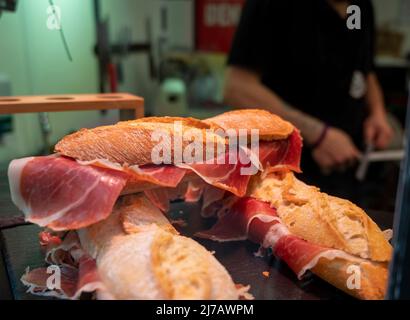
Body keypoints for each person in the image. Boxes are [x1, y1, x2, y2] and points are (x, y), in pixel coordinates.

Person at [224, 0, 393, 197]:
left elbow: (365, 69)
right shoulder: (271, 5)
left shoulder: (360, 7)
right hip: (280, 175)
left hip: (347, 168)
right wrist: (320, 135)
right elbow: (237, 87)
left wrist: (377, 112)